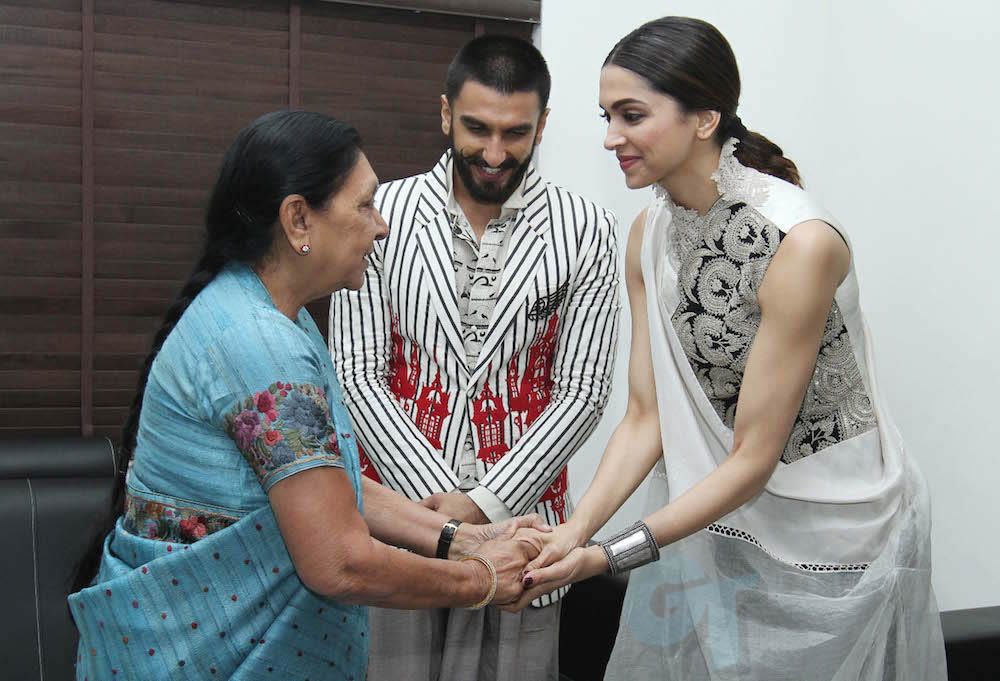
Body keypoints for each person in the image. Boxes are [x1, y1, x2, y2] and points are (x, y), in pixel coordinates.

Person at [508, 16, 947, 681]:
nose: (610, 138)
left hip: (839, 543)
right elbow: (646, 416)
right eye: (606, 115)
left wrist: (605, 555)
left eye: (631, 115)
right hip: (721, 527)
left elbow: (750, 458)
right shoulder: (648, 236)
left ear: (705, 117)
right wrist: (575, 530)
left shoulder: (800, 243)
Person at [67, 110, 547, 681]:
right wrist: (481, 581)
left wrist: (464, 539)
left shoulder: (274, 317)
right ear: (299, 219)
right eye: (365, 205)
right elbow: (338, 561)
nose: (382, 226)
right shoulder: (258, 341)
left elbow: (325, 479)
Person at [330, 35, 621, 681]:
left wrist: (483, 506)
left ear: (543, 125)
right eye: (477, 128)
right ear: (444, 114)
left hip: (526, 536)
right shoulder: (382, 215)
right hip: (397, 534)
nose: (494, 153)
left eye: (516, 133)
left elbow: (583, 391)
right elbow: (356, 374)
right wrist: (439, 517)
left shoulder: (586, 229)